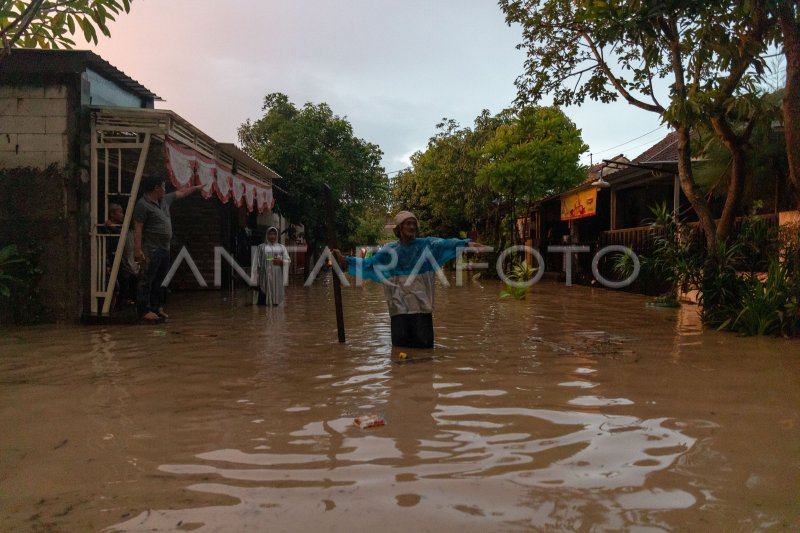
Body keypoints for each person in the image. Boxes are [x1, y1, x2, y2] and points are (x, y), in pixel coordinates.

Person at [333, 210, 483, 349]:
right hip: (399, 311)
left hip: (421, 309)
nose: (412, 227)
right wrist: (346, 260)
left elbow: (445, 244)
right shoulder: (389, 251)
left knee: (425, 354)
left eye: (414, 224)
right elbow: (369, 264)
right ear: (399, 228)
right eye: (408, 223)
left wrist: (464, 243)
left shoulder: (427, 245)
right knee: (399, 354)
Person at [133, 176, 202, 322]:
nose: (165, 189)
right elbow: (138, 227)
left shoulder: (164, 200)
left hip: (165, 248)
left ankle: (156, 308)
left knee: (161, 280)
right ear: (156, 188)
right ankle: (144, 310)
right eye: (163, 187)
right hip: (151, 249)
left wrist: (196, 188)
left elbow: (182, 193)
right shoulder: (143, 204)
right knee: (147, 279)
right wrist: (137, 250)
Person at [104, 203, 139, 308]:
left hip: (124, 259)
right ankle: (117, 304)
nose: (122, 215)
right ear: (112, 214)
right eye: (120, 212)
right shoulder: (106, 228)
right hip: (113, 258)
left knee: (127, 281)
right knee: (118, 283)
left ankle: (123, 302)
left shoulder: (125, 228)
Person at [253, 226, 290, 306]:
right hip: (264, 279)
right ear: (267, 235)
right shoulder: (261, 247)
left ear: (277, 235)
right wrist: (255, 279)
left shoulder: (282, 248)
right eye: (270, 234)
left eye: (274, 234)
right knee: (263, 304)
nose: (272, 236)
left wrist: (281, 261)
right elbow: (256, 264)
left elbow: (288, 261)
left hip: (277, 279)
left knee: (276, 305)